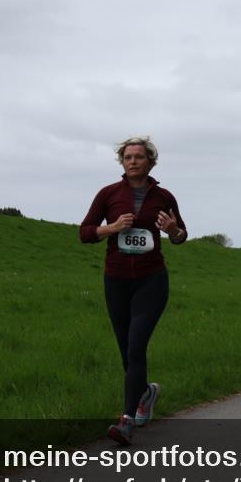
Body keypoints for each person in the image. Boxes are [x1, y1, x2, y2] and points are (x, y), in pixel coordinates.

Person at [80, 136, 187, 445]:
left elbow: (181, 235)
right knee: (127, 349)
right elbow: (85, 232)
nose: (133, 161)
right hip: (115, 281)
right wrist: (111, 228)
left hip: (151, 280)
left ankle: (126, 421)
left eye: (139, 156)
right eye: (128, 157)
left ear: (150, 161)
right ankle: (146, 394)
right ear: (122, 162)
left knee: (136, 346)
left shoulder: (164, 196)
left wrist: (173, 231)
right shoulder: (108, 194)